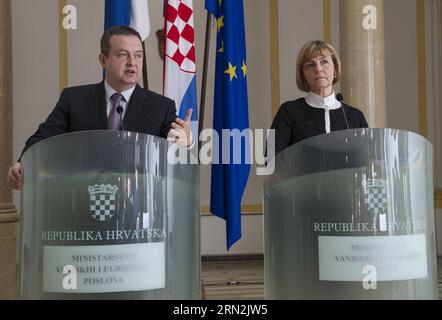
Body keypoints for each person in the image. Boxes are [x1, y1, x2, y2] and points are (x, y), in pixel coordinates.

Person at [7, 25, 193, 190]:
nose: (132, 62)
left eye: (138, 55)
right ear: (103, 60)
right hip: (82, 205)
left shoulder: (160, 106)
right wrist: (22, 165)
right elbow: (43, 138)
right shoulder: (74, 99)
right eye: (122, 55)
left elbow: (175, 146)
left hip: (139, 210)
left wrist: (187, 141)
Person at [270, 40, 368, 156]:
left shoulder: (355, 117)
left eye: (324, 62)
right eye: (310, 65)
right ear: (303, 75)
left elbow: (366, 160)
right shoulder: (289, 112)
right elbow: (271, 159)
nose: (318, 69)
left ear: (335, 70)